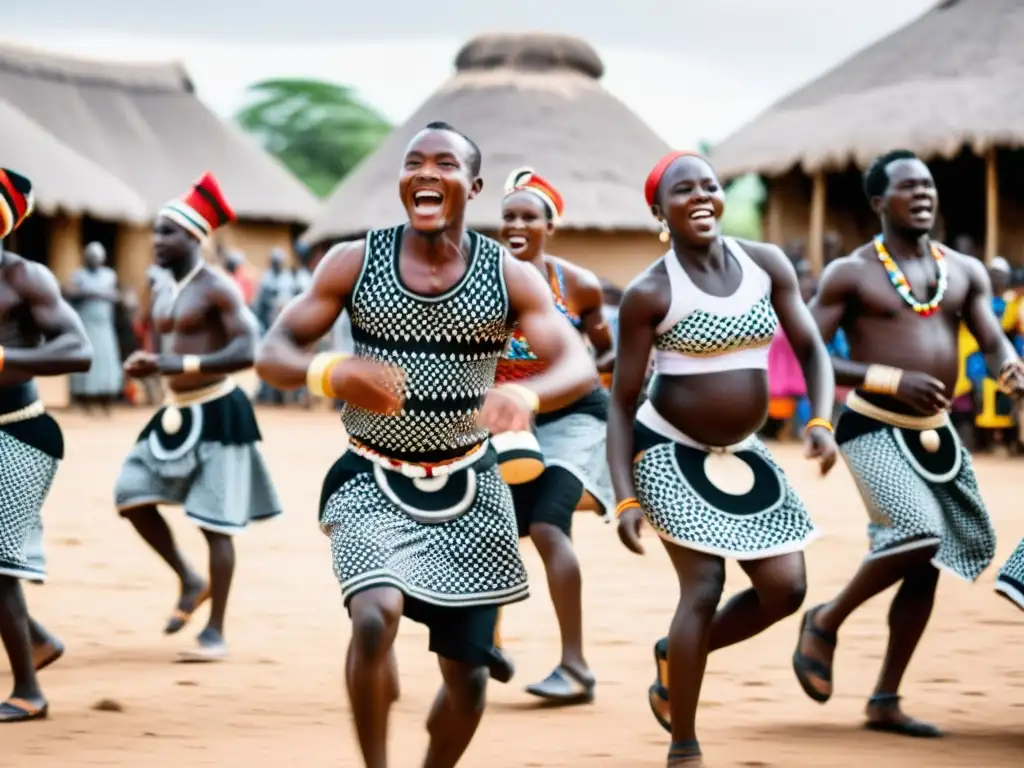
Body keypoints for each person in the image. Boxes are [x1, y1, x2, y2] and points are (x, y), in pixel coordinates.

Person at [254, 121, 598, 768]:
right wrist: (333, 372)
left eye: (445, 164)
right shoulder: (353, 260)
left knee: (466, 682)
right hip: (371, 479)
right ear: (403, 182)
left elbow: (575, 364)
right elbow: (271, 352)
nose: (427, 173)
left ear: (472, 186)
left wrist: (523, 397)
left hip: (471, 488)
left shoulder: (509, 274)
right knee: (373, 617)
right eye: (415, 163)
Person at [609, 151, 837, 766]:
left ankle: (676, 656)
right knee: (704, 583)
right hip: (666, 450)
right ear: (660, 211)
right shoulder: (649, 292)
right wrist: (625, 496)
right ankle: (684, 742)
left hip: (743, 452)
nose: (703, 197)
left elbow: (813, 350)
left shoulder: (764, 265)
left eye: (711, 186)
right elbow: (621, 402)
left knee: (786, 589)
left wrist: (820, 422)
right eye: (685, 191)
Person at [798, 149, 1024, 737]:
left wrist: (1010, 372)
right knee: (918, 532)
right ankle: (825, 619)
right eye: (907, 187)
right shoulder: (850, 272)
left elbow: (994, 340)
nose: (923, 194)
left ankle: (884, 699)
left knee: (927, 562)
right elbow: (811, 353)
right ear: (879, 202)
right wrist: (885, 376)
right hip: (871, 423)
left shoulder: (964, 271)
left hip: (936, 433)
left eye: (928, 186)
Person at [114, 172, 282, 662]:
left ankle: (215, 631)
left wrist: (174, 365)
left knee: (216, 525)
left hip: (219, 411)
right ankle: (190, 579)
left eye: (165, 231)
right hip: (176, 411)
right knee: (131, 494)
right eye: (154, 231)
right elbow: (162, 339)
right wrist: (148, 363)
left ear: (192, 236)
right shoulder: (164, 284)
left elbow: (250, 348)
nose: (155, 240)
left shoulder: (218, 287)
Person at [491, 167, 614, 704]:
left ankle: (576, 667)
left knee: (546, 525)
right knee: (488, 525)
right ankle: (484, 647)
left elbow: (606, 353)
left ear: (549, 225)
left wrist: (618, 405)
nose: (516, 225)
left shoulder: (577, 284)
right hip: (513, 425)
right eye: (508, 217)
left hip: (575, 417)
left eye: (528, 216)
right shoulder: (482, 283)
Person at [0, 168, 93, 722]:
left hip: (21, 431)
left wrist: (4, 362)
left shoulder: (24, 277)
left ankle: (29, 691)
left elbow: (79, 350)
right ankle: (34, 638)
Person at [64, 242, 123, 413]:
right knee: (85, 360)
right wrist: (93, 292)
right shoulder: (78, 275)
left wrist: (93, 292)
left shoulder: (109, 275)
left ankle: (106, 400)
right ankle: (83, 399)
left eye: (97, 257)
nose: (94, 260)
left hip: (104, 326)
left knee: (106, 363)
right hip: (85, 326)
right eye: (91, 257)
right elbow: (70, 292)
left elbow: (115, 295)